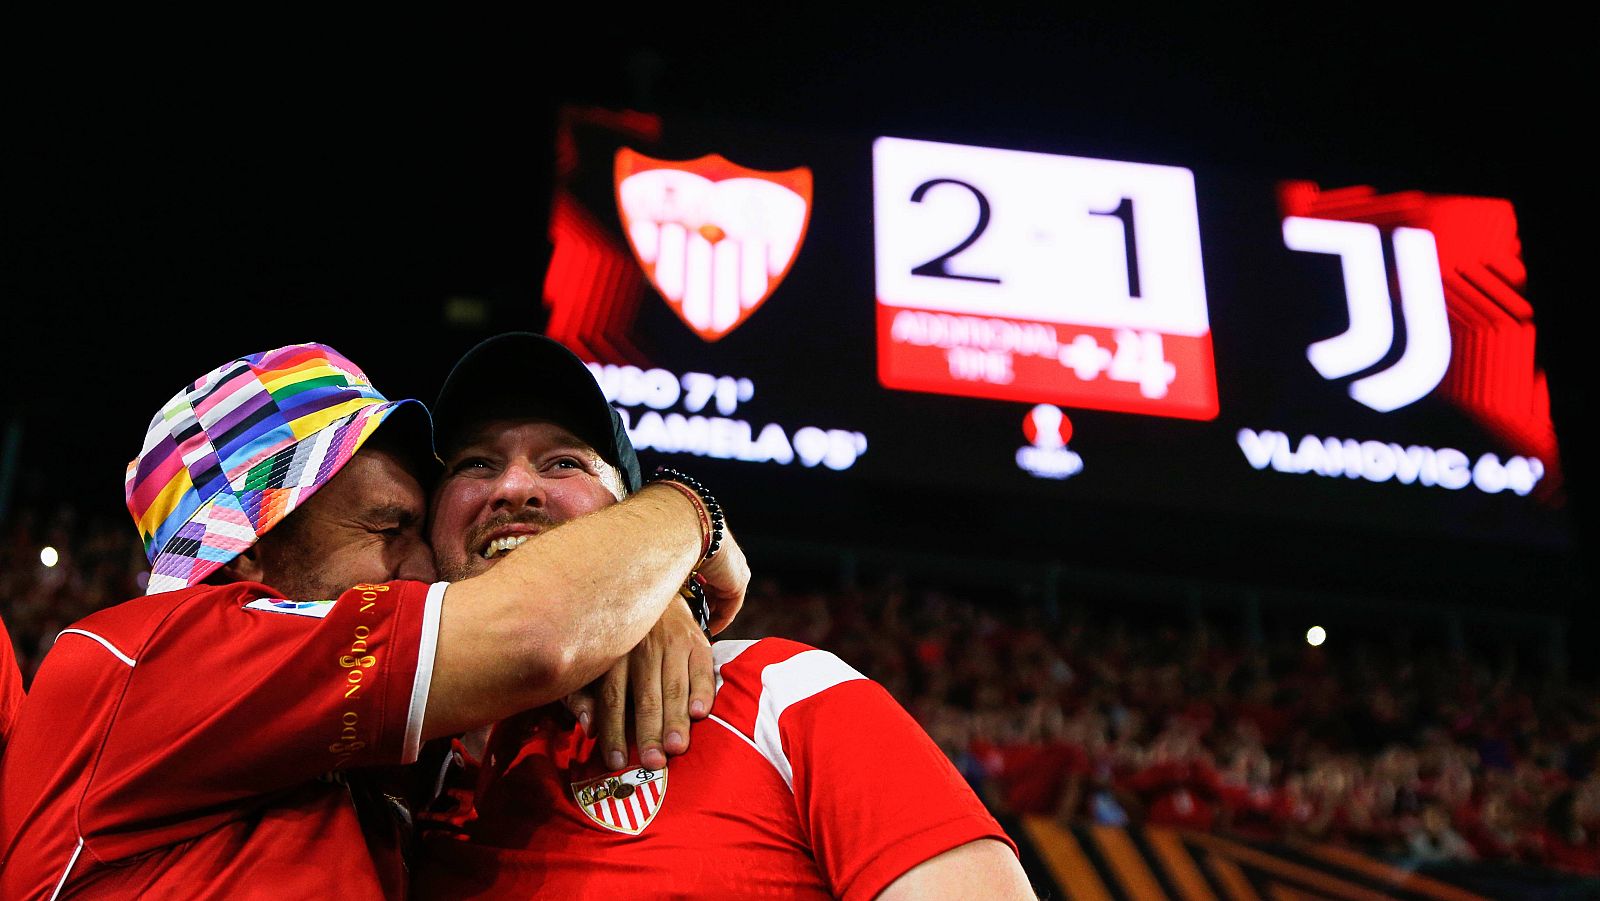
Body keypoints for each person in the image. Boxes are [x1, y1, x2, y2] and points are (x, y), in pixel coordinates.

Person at [0, 342, 744, 899]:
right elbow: (539, 631)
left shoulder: (373, 748)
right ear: (249, 553)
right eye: (387, 528)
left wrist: (657, 604)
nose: (423, 565)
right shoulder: (154, 658)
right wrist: (690, 518)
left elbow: (562, 624)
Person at [412, 333, 1036, 900]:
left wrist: (663, 574)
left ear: (630, 521)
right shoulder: (383, 765)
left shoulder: (785, 695)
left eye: (564, 463)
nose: (515, 487)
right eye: (476, 464)